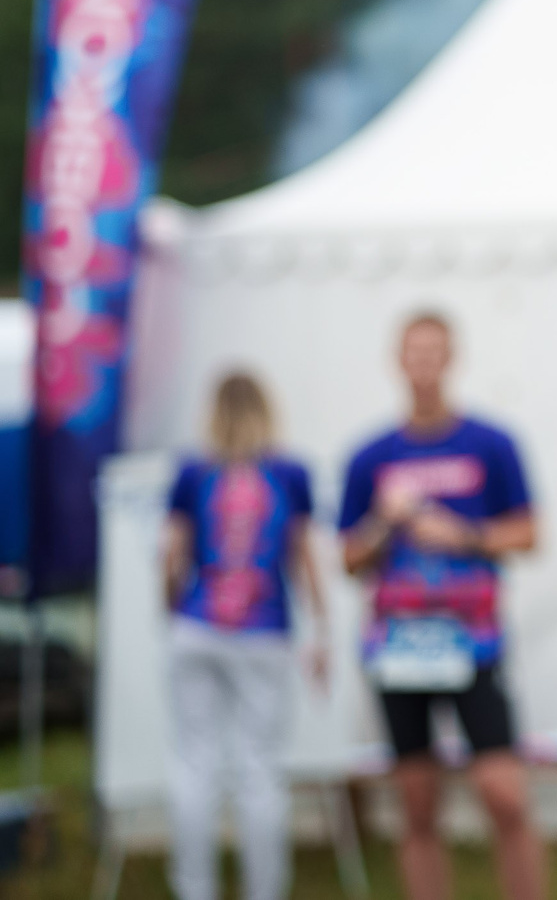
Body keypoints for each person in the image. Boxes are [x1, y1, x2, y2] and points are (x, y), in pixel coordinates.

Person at [339, 313, 544, 900]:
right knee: (417, 803)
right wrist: (386, 522)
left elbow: (529, 534)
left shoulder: (492, 443)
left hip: (474, 643)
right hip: (398, 648)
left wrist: (463, 536)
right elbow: (348, 558)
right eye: (414, 353)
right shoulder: (370, 456)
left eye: (435, 352)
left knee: (505, 794)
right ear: (398, 362)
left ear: (451, 359)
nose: (425, 364)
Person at [163, 371, 328, 900]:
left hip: (197, 625)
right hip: (264, 632)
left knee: (196, 766)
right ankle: (265, 890)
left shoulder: (191, 470)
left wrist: (170, 607)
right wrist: (321, 629)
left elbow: (172, 556)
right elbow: (305, 560)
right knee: (260, 771)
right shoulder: (289, 471)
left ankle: (196, 889)